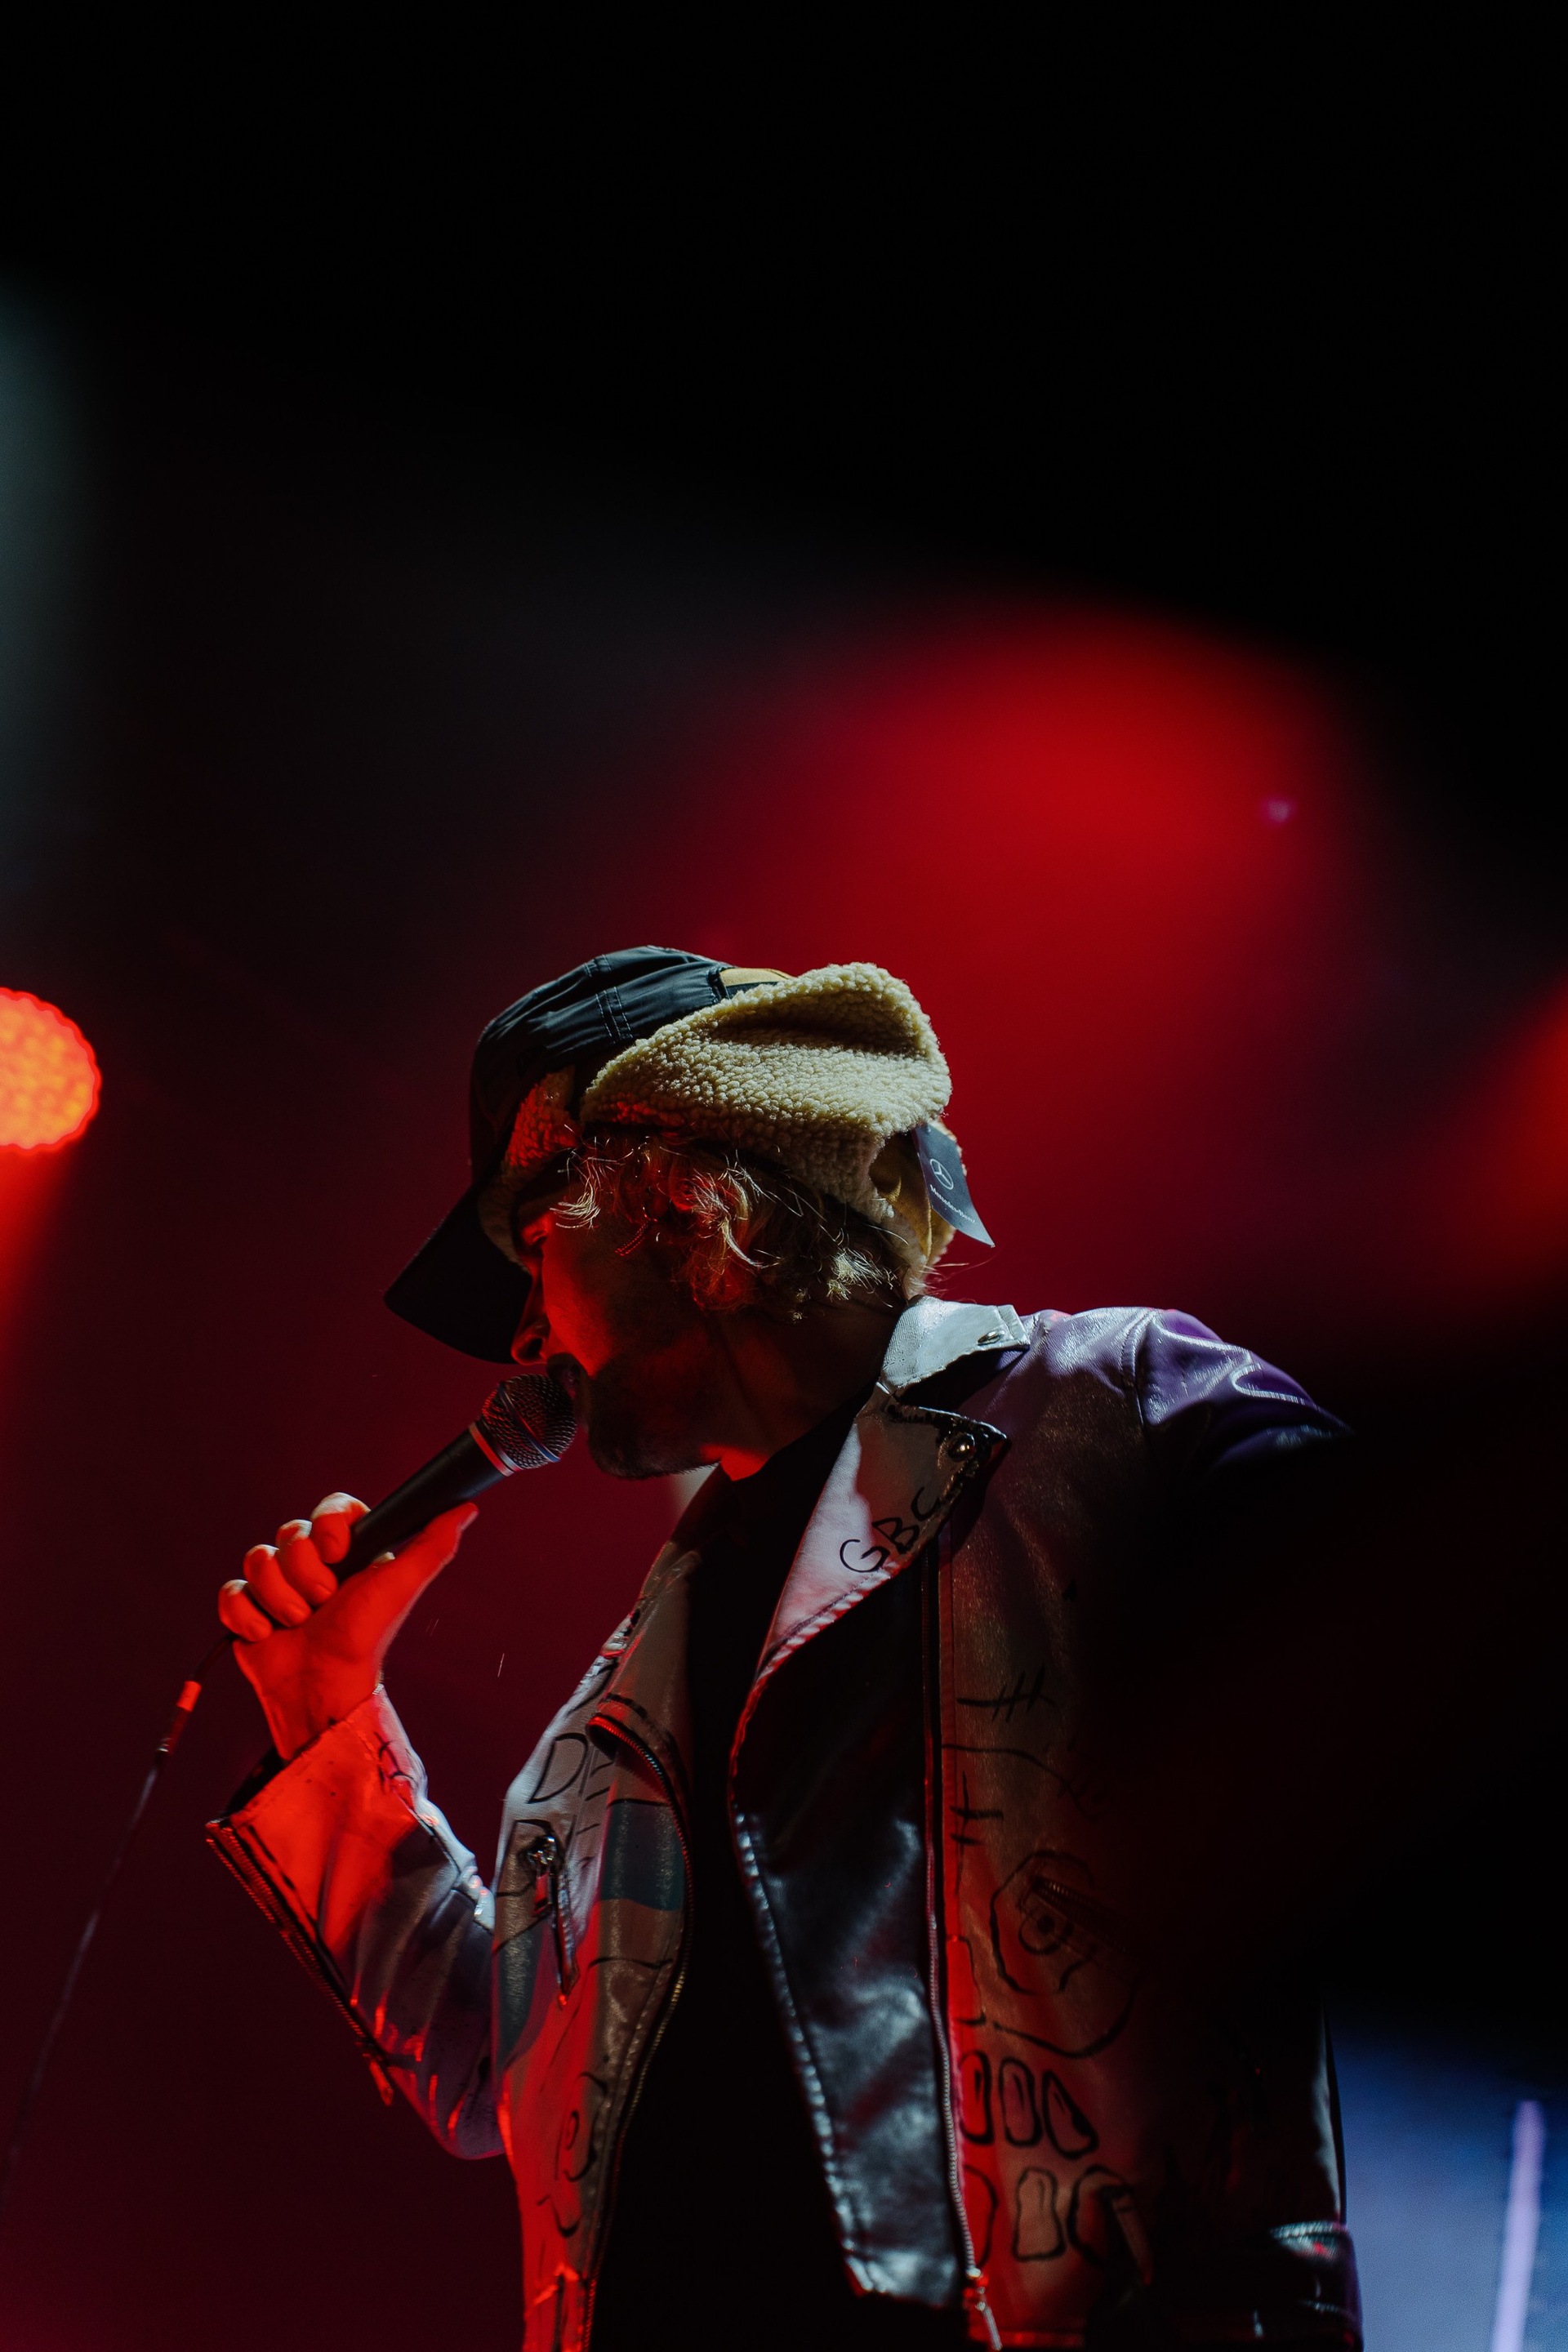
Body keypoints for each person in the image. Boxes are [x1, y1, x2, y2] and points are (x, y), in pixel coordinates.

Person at [209, 948, 1362, 2351]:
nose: (522, 1331)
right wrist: (328, 1713)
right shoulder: (626, 1701)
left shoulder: (1114, 1413)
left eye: (536, 1240)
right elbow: (493, 2076)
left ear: (682, 1199)